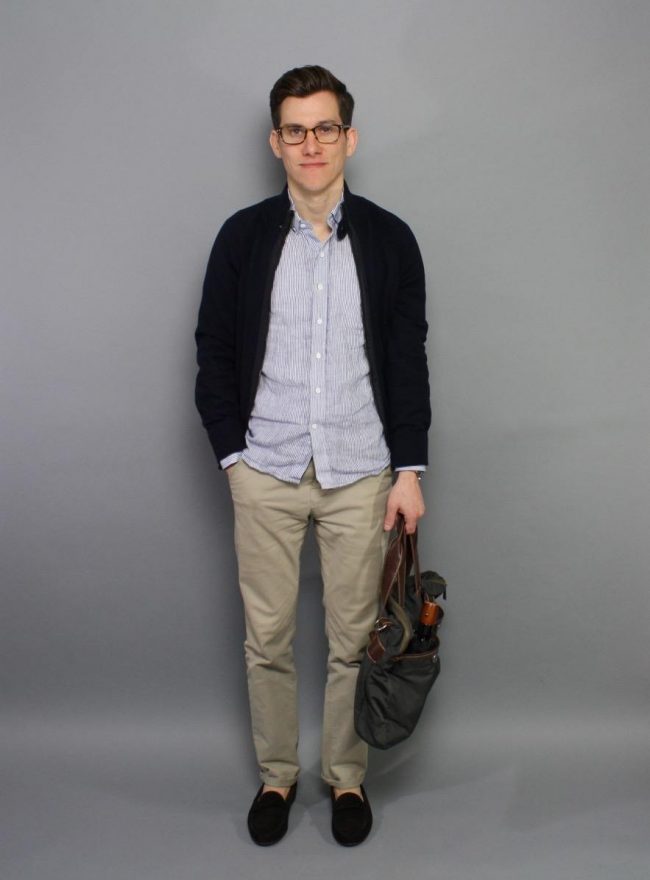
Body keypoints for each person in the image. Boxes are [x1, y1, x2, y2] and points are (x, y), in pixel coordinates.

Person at [195, 65, 430, 847]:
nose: (311, 143)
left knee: (352, 638)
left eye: (325, 127)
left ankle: (346, 779)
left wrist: (408, 471)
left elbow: (406, 359)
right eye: (295, 130)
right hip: (265, 468)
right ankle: (276, 774)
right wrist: (233, 457)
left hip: (361, 472)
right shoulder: (243, 237)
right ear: (275, 142)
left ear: (349, 137)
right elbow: (215, 351)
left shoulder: (391, 240)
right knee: (266, 639)